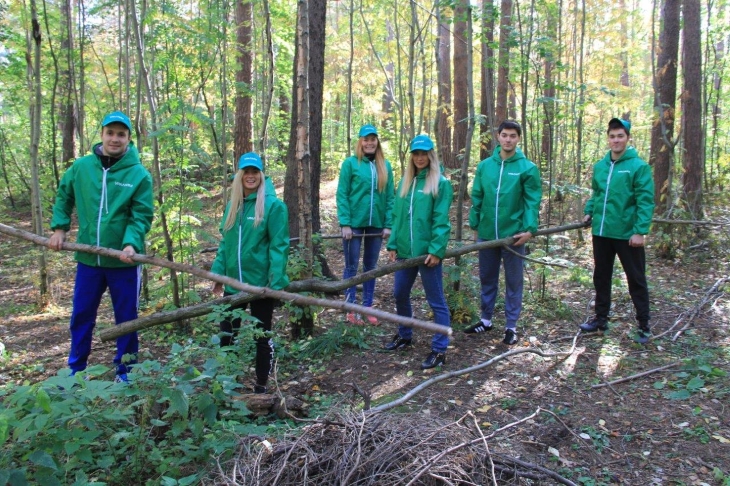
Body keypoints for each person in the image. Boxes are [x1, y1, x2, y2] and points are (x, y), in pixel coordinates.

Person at [49, 111, 154, 382]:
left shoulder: (138, 174)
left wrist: (131, 244)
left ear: (129, 138)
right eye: (110, 133)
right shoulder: (82, 167)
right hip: (88, 260)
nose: (115, 139)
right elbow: (64, 195)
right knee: (81, 316)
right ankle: (76, 371)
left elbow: (140, 214)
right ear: (102, 134)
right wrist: (60, 228)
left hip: (123, 263)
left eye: (121, 134)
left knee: (126, 319)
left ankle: (126, 371)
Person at [211, 152, 289, 393]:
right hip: (233, 285)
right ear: (239, 175)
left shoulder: (273, 206)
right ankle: (227, 386)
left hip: (260, 287)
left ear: (262, 175)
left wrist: (276, 282)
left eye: (255, 171)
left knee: (262, 337)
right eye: (246, 171)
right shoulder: (233, 206)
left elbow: (279, 246)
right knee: (227, 336)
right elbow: (225, 243)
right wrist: (217, 274)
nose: (251, 176)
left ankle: (261, 387)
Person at [465, 120, 542, 346]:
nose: (508, 139)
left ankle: (511, 327)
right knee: (487, 278)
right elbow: (477, 197)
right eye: (505, 135)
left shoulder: (527, 168)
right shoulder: (485, 166)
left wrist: (529, 229)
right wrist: (475, 225)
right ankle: (486, 320)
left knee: (513, 282)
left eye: (513, 136)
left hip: (514, 235)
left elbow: (532, 201)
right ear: (498, 137)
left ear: (518, 139)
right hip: (487, 234)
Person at [580, 118, 655, 344]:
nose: (616, 140)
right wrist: (588, 211)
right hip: (601, 232)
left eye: (620, 136)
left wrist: (640, 231)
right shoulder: (600, 166)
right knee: (601, 277)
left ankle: (643, 325)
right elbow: (596, 194)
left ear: (627, 137)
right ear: (608, 138)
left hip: (627, 235)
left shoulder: (638, 167)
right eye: (612, 136)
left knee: (636, 278)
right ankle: (600, 320)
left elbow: (645, 201)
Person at [383, 134, 453, 369]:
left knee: (436, 301)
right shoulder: (406, 182)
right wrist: (393, 244)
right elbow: (397, 217)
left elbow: (441, 219)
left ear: (431, 155)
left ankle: (439, 349)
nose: (420, 158)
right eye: (416, 154)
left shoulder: (440, 183)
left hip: (427, 254)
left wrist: (436, 250)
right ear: (411, 156)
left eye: (424, 153)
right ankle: (405, 335)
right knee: (400, 293)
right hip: (404, 251)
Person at [336, 124, 395, 325]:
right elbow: (342, 194)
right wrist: (345, 223)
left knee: (370, 266)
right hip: (353, 224)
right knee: (351, 265)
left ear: (377, 142)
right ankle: (350, 307)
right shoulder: (350, 164)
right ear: (360, 142)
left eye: (373, 139)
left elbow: (389, 197)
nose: (369, 142)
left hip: (376, 224)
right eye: (365, 139)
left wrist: (388, 224)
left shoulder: (385, 166)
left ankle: (368, 306)